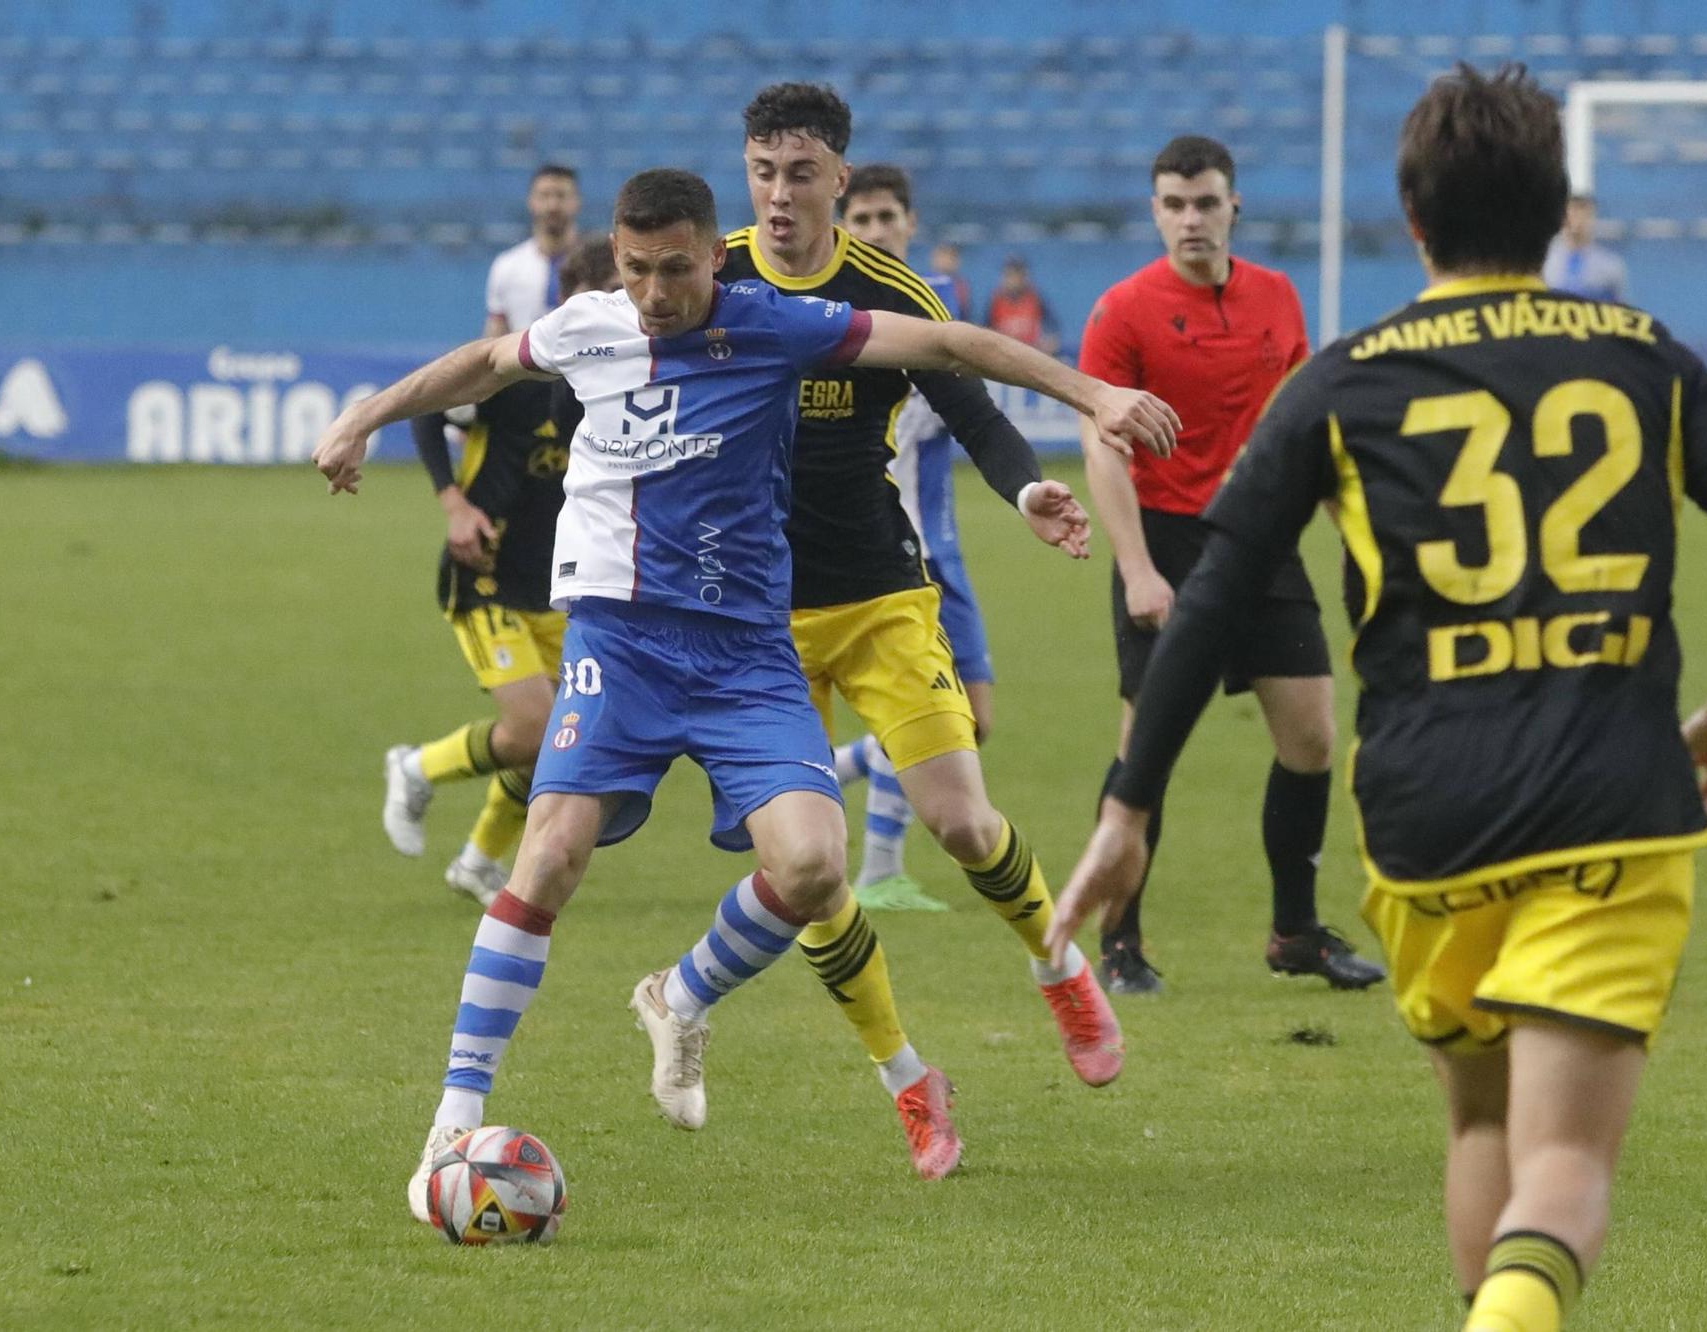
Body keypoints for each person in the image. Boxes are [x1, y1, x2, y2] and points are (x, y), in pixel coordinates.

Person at [1047, 65, 1707, 1332]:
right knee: (1563, 1162)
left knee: (1476, 1115)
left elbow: (1213, 595)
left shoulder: (1341, 381)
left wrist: (1129, 804)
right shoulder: (1641, 357)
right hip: (1611, 805)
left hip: (1424, 816)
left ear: (1411, 221)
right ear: (1556, 213)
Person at [309, 168, 1178, 1200]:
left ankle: (681, 995)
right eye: (636, 270)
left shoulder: (775, 327)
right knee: (547, 855)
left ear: (711, 255)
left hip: (744, 654)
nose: (655, 293)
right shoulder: (589, 326)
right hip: (618, 644)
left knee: (814, 865)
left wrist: (1092, 393)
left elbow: (946, 345)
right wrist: (364, 414)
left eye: (675, 269)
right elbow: (486, 364)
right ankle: (449, 1128)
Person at [720, 83, 1131, 1093]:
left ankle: (1059, 965)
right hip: (748, 616)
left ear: (840, 180)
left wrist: (1028, 485)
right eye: (763, 171)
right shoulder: (708, 278)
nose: (779, 194)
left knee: (961, 822)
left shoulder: (895, 291)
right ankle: (901, 1073)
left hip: (876, 594)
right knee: (803, 869)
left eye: (801, 173)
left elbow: (974, 411)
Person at [1077, 133, 1384, 995]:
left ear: (1233, 206)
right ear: (1155, 212)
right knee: (1145, 753)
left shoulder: (1278, 298)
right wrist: (1136, 567)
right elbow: (1104, 451)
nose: (1190, 220)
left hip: (1260, 536)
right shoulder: (1123, 310)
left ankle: (1295, 933)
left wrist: (1358, 531)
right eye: (1173, 205)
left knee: (1314, 737)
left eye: (1206, 202)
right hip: (1166, 541)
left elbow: (1305, 429)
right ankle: (1121, 943)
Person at [384, 238, 618, 905]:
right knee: (538, 728)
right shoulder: (522, 370)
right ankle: (417, 767)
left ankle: (480, 861)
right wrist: (453, 503)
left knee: (561, 743)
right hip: (483, 574)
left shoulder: (615, 378)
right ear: (570, 302)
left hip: (558, 584)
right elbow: (430, 410)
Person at [830, 162, 1000, 910]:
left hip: (943, 542)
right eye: (859, 221)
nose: (874, 232)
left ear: (910, 224)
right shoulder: (831, 315)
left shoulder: (939, 310)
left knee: (978, 719)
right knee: (950, 719)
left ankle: (844, 769)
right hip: (884, 551)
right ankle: (880, 869)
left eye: (885, 219)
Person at [483, 164, 581, 337]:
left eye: (561, 195)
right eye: (544, 196)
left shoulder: (597, 264)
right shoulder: (507, 266)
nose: (553, 205)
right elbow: (495, 335)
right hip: (523, 362)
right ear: (531, 201)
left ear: (576, 201)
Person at [1541, 194, 1628, 303]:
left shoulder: (1610, 266)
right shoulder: (1544, 263)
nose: (1577, 218)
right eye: (1572, 210)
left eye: (1583, 210)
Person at [986, 253, 1060, 355]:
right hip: (1004, 354)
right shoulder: (996, 300)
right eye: (1010, 275)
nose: (1014, 280)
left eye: (1018, 274)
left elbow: (1053, 329)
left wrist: (1049, 342)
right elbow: (985, 330)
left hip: (1031, 353)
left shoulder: (1036, 298)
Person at [930, 241, 971, 321]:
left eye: (951, 257)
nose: (946, 260)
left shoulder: (961, 286)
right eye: (943, 256)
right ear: (934, 258)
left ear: (957, 261)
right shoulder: (925, 281)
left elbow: (963, 315)